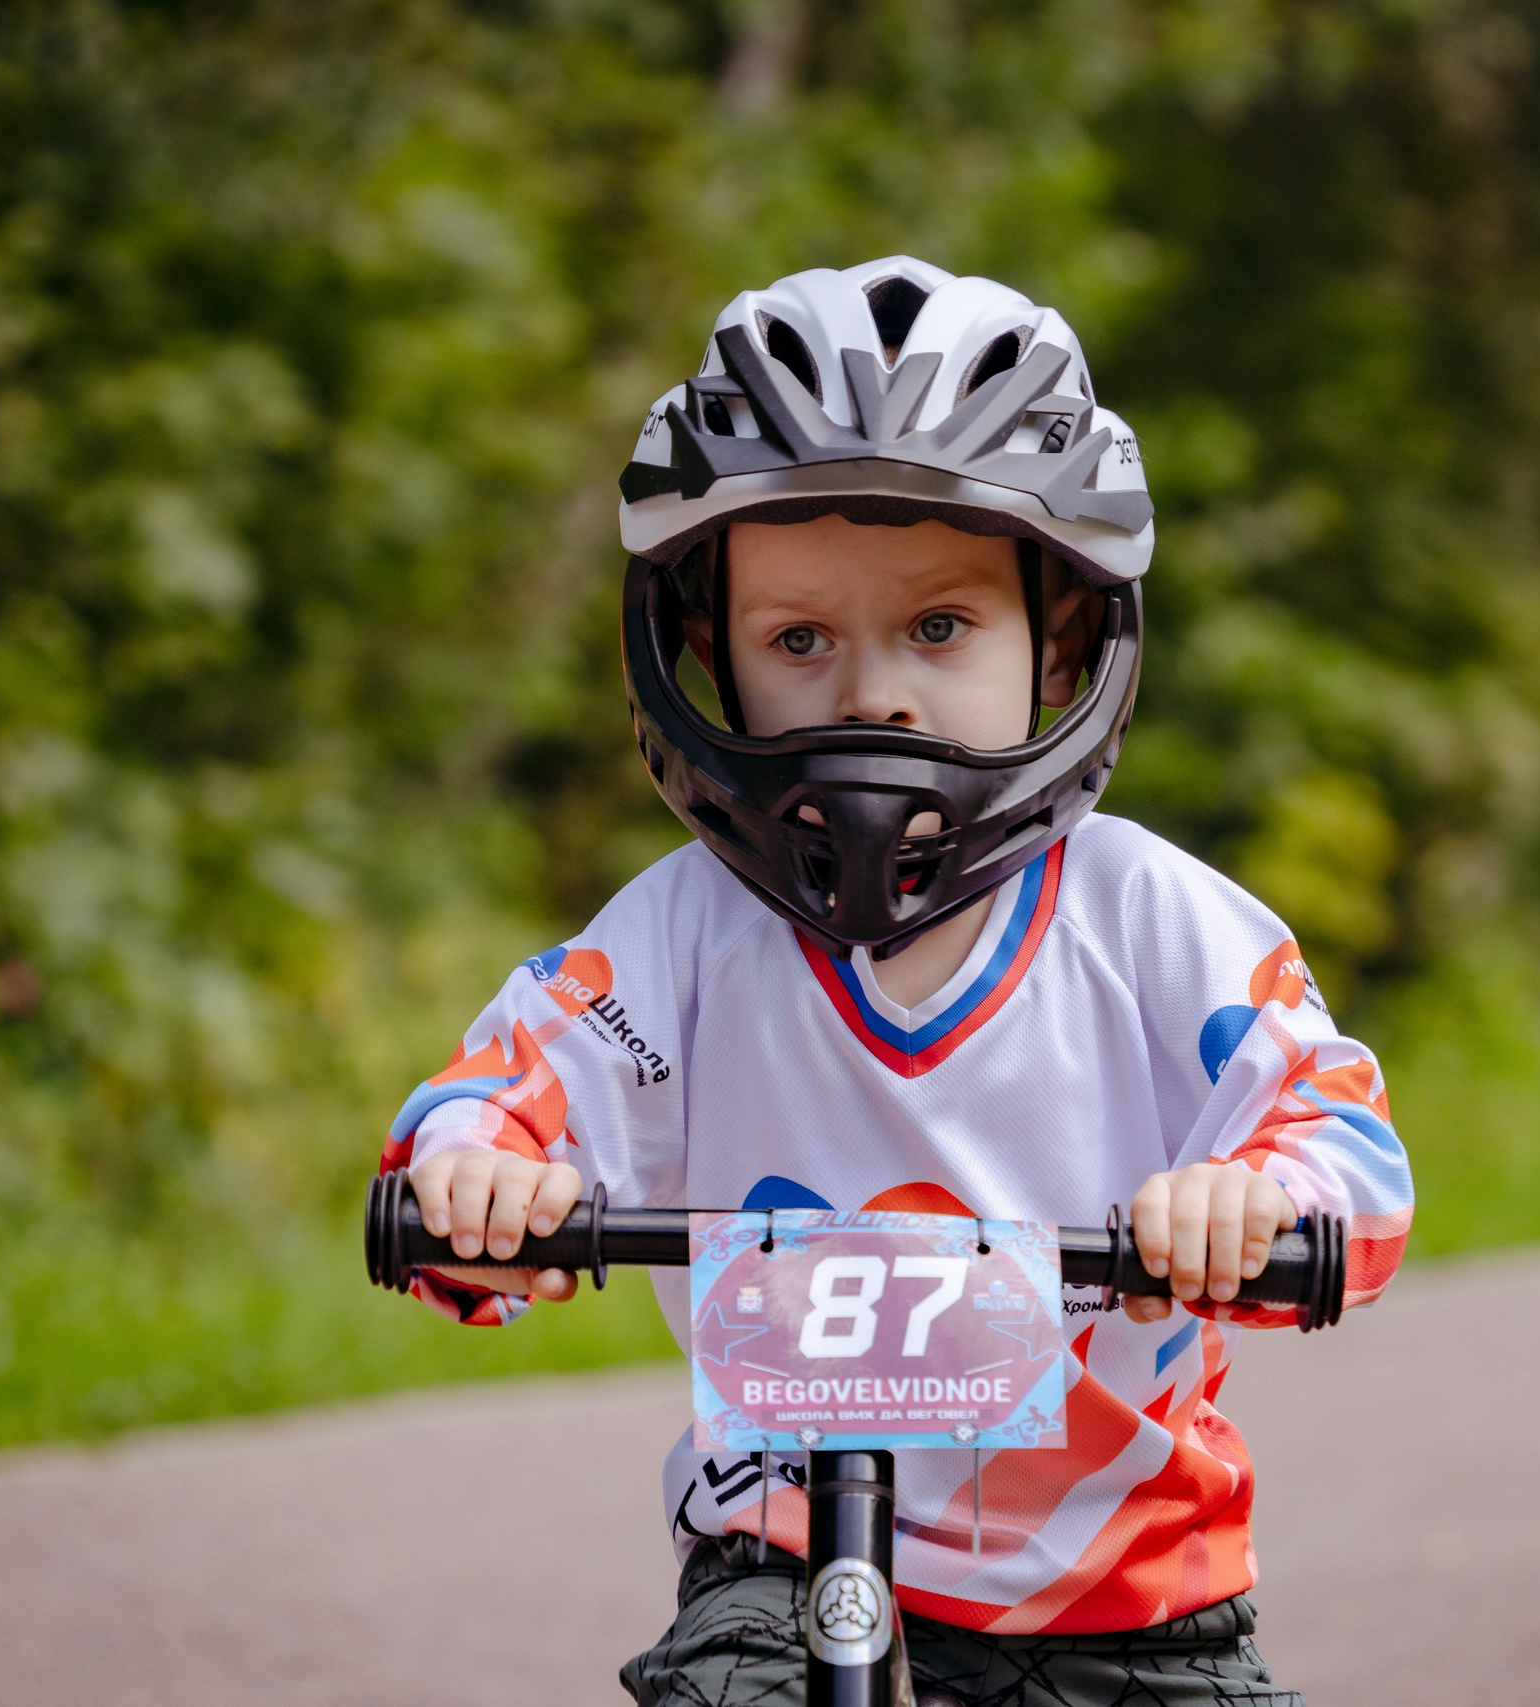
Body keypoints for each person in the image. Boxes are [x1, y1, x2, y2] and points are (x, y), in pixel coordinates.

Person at [377, 257, 1413, 1707]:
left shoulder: (1151, 922)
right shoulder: (681, 936)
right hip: (779, 1549)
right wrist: (481, 1177)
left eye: (938, 627)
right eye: (800, 639)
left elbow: (1350, 1149)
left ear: (1059, 638)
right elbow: (501, 1089)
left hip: (1124, 1578)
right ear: (704, 656)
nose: (872, 692)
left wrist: (1260, 1199)